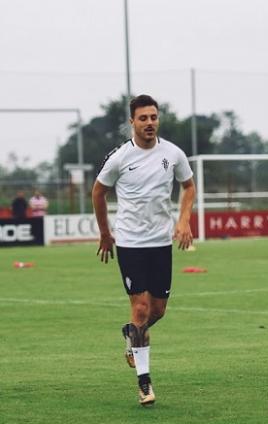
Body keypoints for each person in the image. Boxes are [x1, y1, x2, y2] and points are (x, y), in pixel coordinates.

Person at [92, 94, 196, 406]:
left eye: (153, 117)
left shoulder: (173, 154)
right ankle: (144, 382)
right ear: (132, 122)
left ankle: (132, 335)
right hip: (130, 243)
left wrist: (184, 221)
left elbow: (189, 186)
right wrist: (105, 233)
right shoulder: (120, 158)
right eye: (143, 118)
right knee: (139, 308)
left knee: (157, 311)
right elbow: (98, 193)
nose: (149, 123)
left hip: (161, 242)